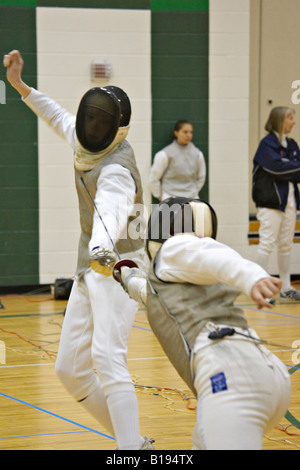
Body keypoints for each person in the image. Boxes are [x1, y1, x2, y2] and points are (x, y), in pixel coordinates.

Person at [4, 50, 154, 450]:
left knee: (107, 357)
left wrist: (102, 250)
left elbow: (110, 214)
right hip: (91, 267)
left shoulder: (118, 170)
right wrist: (21, 87)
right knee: (70, 369)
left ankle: (130, 451)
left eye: (100, 121)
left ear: (117, 129)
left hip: (120, 266)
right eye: (90, 116)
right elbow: (56, 116)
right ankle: (133, 442)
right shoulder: (87, 142)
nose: (90, 125)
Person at [118, 197, 291, 450]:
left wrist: (253, 278)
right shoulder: (175, 277)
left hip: (230, 380)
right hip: (266, 375)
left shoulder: (176, 248)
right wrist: (124, 273)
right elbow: (148, 294)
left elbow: (209, 254)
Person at [252, 106, 300, 301]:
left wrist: (290, 166)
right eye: (290, 118)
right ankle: (259, 288)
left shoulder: (292, 144)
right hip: (270, 201)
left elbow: (293, 170)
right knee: (267, 244)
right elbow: (278, 168)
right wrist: (290, 166)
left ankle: (286, 287)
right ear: (280, 120)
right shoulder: (267, 144)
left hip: (290, 200)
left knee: (286, 245)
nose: (294, 122)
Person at [149, 120, 206, 201]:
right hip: (170, 197)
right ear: (176, 133)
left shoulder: (198, 154)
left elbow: (201, 177)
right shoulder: (164, 154)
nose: (188, 135)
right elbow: (153, 178)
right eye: (185, 132)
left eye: (190, 132)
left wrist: (193, 192)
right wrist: (160, 196)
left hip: (192, 197)